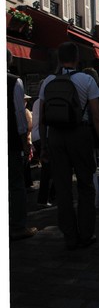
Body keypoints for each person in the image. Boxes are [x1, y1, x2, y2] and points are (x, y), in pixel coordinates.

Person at [37, 41, 99, 250]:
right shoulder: (87, 80)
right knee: (85, 185)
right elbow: (97, 116)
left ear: (59, 58)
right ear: (77, 58)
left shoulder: (48, 81)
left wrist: (43, 145)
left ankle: (70, 235)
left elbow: (42, 116)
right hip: (80, 134)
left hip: (56, 135)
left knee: (63, 187)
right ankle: (86, 233)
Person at [9, 50, 38, 241]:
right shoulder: (14, 82)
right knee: (16, 185)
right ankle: (18, 226)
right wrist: (24, 143)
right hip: (10, 141)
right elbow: (20, 114)